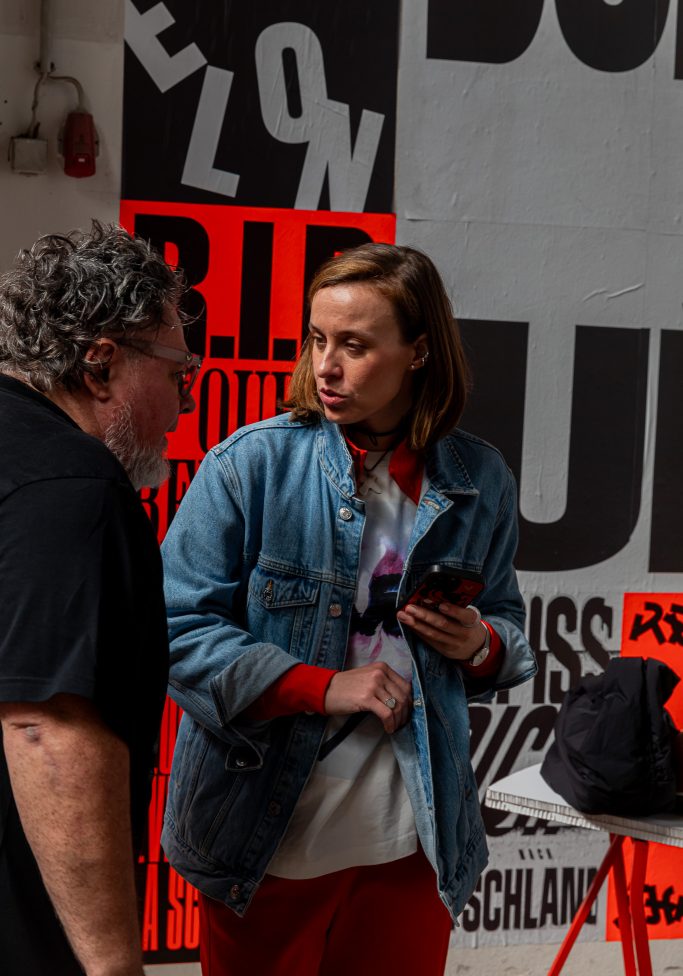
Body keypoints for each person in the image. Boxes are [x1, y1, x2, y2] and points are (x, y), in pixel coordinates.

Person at [161, 243, 536, 976]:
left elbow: (507, 632)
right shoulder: (250, 465)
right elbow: (174, 630)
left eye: (355, 346)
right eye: (317, 339)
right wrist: (322, 686)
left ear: (418, 351)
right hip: (263, 837)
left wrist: (477, 643)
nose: (325, 366)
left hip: (413, 841)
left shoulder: (479, 478)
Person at [0, 222, 200, 976]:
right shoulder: (74, 489)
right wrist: (114, 965)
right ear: (101, 364)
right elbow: (46, 729)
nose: (183, 406)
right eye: (177, 374)